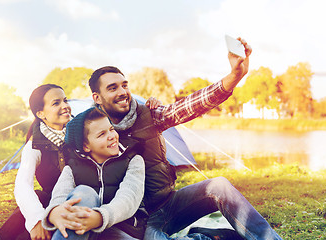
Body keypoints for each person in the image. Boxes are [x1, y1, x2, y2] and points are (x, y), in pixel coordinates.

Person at [84, 38, 283, 240]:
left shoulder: (150, 115)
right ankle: (206, 236)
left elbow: (191, 106)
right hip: (139, 221)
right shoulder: (89, 133)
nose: (122, 92)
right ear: (97, 98)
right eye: (112, 88)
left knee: (219, 185)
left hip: (170, 204)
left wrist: (234, 76)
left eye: (124, 85)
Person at [42, 107, 147, 240]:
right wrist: (54, 212)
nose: (112, 136)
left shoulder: (132, 160)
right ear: (86, 146)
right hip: (82, 230)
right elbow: (60, 195)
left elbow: (129, 198)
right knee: (84, 193)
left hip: (124, 228)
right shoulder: (73, 167)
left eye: (111, 129)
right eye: (101, 134)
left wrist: (99, 218)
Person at [0, 84, 72, 240]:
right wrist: (36, 219)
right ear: (41, 113)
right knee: (37, 199)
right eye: (56, 103)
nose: (65, 106)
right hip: (51, 202)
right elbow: (22, 184)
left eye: (65, 100)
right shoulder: (35, 145)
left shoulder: (80, 131)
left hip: (80, 199)